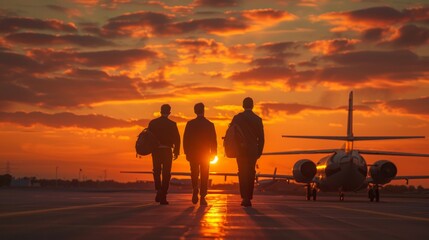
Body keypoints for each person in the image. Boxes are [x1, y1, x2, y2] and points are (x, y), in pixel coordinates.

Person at [231, 97, 264, 207]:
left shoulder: (237, 118)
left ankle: (244, 197)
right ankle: (249, 197)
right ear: (253, 106)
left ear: (243, 105)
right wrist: (259, 151)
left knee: (242, 173)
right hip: (252, 151)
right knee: (251, 173)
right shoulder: (258, 119)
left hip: (240, 151)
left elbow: (231, 133)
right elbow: (262, 138)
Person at [183, 103, 217, 205]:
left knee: (194, 173)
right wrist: (214, 153)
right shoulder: (209, 124)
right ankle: (203, 196)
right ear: (203, 110)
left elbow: (185, 140)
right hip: (205, 154)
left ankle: (194, 188)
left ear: (195, 111)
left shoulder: (190, 124)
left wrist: (187, 152)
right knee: (204, 174)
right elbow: (213, 141)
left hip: (193, 154)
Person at [148, 104, 180, 205]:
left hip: (156, 151)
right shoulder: (172, 124)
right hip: (167, 151)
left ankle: (158, 190)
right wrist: (176, 152)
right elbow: (177, 139)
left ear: (160, 111)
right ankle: (164, 194)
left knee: (156, 171)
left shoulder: (153, 123)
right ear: (169, 112)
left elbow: (148, 137)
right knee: (166, 173)